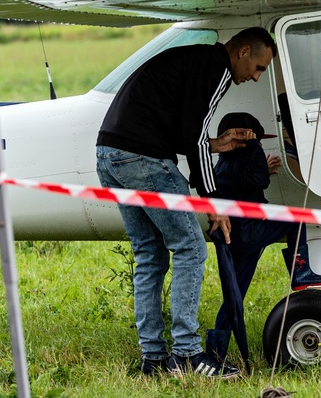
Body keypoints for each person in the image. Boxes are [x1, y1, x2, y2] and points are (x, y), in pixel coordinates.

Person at [95, 27, 276, 379]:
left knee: (149, 253)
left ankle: (154, 360)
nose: (255, 77)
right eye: (258, 67)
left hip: (109, 155)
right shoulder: (217, 69)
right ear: (241, 52)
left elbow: (183, 130)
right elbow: (191, 138)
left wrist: (213, 143)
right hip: (143, 160)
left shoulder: (195, 60)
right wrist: (213, 203)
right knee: (192, 249)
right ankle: (187, 355)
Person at [205, 111, 321, 362]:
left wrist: (259, 161)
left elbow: (248, 181)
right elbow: (259, 180)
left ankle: (216, 349)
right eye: (258, 141)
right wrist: (255, 153)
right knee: (294, 218)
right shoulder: (247, 160)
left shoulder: (224, 165)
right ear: (245, 144)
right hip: (248, 233)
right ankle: (300, 272)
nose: (260, 145)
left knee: (235, 296)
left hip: (233, 239)